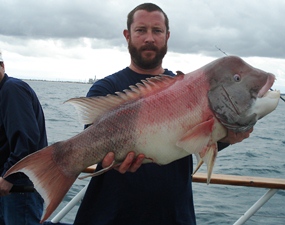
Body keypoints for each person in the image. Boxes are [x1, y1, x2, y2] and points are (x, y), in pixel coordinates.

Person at [74, 3, 253, 225]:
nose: (149, 38)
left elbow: (196, 140)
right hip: (109, 216)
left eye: (157, 31)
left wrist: (229, 136)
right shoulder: (106, 89)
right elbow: (91, 143)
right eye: (141, 30)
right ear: (127, 35)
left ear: (167, 36)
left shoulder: (189, 88)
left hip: (174, 217)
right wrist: (109, 157)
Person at [0, 50, 48, 225]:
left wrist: (8, 177)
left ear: (2, 66)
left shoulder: (12, 89)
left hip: (20, 188)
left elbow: (27, 141)